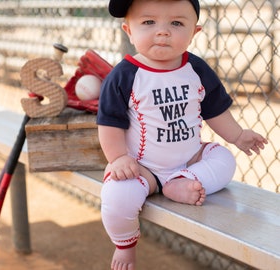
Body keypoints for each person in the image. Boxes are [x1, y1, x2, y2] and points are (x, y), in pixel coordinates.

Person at [96, 0, 268, 269]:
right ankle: (125, 244)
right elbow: (109, 124)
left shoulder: (196, 69)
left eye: (176, 23)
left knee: (225, 159)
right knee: (117, 197)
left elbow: (215, 110)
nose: (162, 31)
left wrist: (237, 135)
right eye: (148, 22)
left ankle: (182, 182)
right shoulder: (124, 75)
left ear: (194, 33)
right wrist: (118, 158)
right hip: (142, 169)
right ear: (128, 30)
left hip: (190, 160)